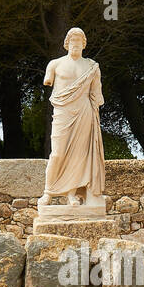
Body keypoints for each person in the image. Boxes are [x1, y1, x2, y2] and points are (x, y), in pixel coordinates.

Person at [40, 26, 105, 207]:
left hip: (84, 113)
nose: (75, 44)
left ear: (84, 44)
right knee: (58, 153)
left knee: (78, 156)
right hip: (63, 112)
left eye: (79, 41)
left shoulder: (92, 67)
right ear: (66, 43)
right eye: (72, 41)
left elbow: (97, 95)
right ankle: (48, 192)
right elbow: (49, 81)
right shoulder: (55, 64)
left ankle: (71, 194)